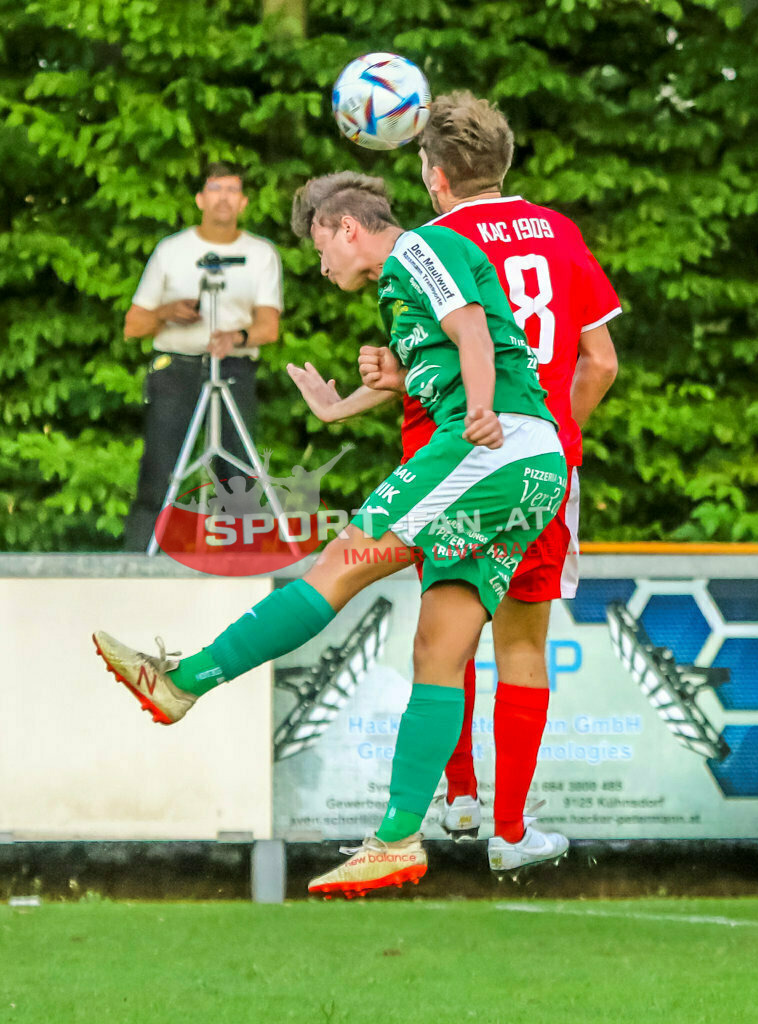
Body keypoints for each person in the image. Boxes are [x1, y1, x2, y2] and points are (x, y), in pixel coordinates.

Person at [94, 173, 567, 897]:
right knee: (438, 648)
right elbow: (436, 358)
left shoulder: (421, 247)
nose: (320, 266)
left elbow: (471, 327)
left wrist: (477, 410)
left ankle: (182, 682)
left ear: (348, 227)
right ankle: (399, 838)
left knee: (339, 563)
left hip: (490, 449)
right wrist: (340, 406)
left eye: (320, 247)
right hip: (532, 473)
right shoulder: (399, 290)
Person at [288, 91, 620, 873]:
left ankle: (458, 797)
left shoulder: (424, 244)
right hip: (542, 461)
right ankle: (512, 830)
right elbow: (601, 361)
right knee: (524, 645)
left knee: (447, 630)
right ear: (503, 163)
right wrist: (556, 438)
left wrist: (381, 376)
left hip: (451, 456)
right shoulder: (560, 233)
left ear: (434, 177)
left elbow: (426, 360)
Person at [123, 161, 283, 551]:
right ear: (200, 198)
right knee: (160, 472)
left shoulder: (260, 254)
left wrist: (237, 337)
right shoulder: (172, 250)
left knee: (239, 475)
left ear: (244, 201)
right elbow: (133, 325)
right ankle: (137, 564)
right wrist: (168, 312)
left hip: (232, 368)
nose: (223, 198)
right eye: (215, 188)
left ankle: (243, 565)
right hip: (176, 370)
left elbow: (269, 327)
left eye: (232, 190)